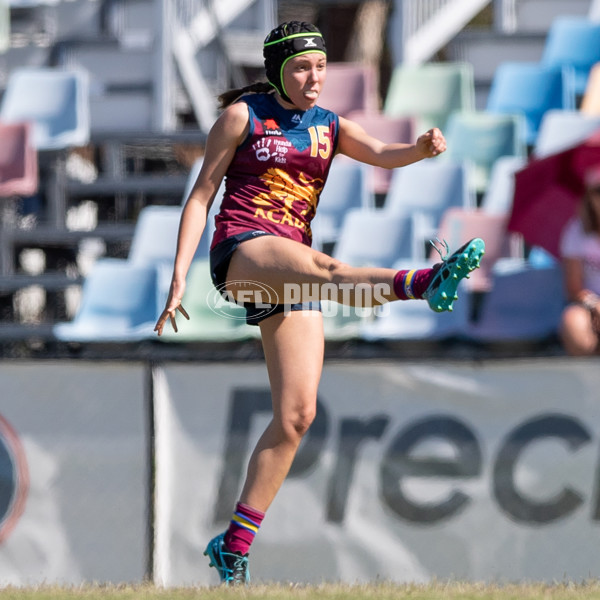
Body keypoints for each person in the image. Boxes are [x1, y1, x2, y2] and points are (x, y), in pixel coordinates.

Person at [154, 21, 485, 585]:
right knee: (329, 269)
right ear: (278, 70)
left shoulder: (329, 126)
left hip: (289, 267)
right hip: (242, 253)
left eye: (321, 67)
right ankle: (424, 282)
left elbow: (383, 154)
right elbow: (202, 196)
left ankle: (233, 545)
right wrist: (179, 279)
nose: (315, 77)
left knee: (296, 416)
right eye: (302, 67)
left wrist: (421, 150)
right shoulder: (243, 117)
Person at [559, 166, 600, 356]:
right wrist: (594, 304)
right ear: (589, 196)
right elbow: (574, 288)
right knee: (572, 323)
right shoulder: (576, 230)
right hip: (589, 305)